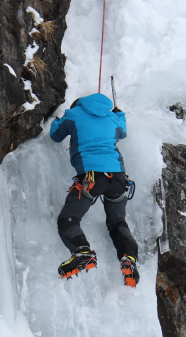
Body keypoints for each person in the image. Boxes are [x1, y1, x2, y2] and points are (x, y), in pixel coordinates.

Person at [50, 92, 140, 287]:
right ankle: (129, 259)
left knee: (69, 218)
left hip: (92, 177)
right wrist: (120, 114)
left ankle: (82, 251)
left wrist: (56, 119)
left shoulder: (73, 114)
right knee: (117, 222)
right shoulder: (112, 117)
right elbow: (122, 131)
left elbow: (55, 136)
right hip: (118, 177)